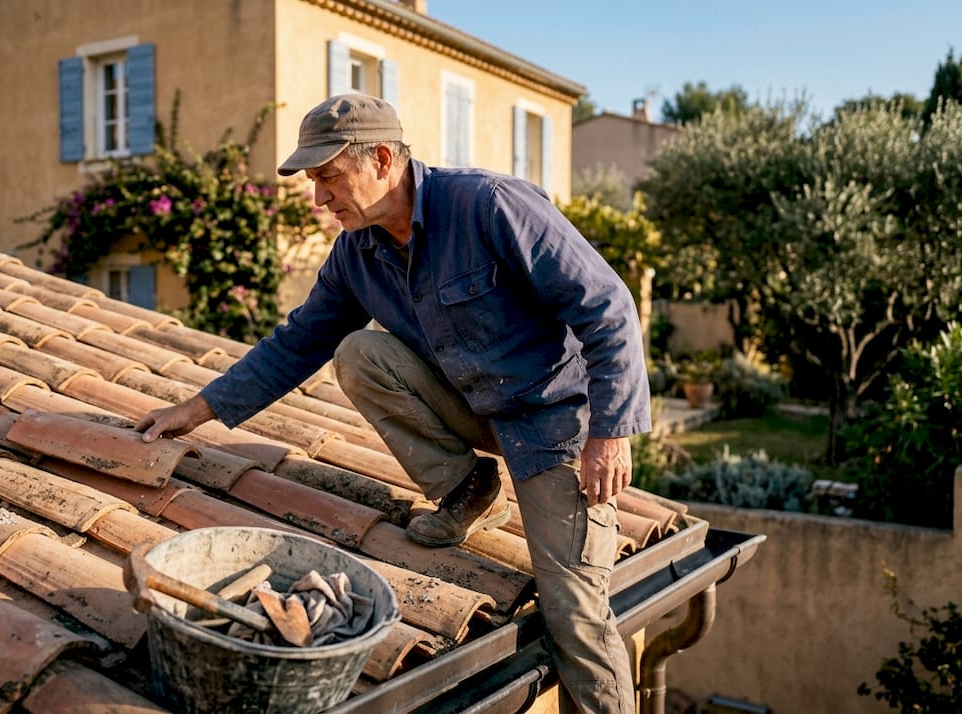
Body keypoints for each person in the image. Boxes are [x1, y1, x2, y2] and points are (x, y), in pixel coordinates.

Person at [136, 93, 649, 712]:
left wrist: (611, 434)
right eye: (313, 182)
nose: (318, 199)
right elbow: (298, 342)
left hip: (554, 426)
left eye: (328, 177)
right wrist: (194, 411)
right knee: (358, 352)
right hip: (477, 411)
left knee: (575, 613)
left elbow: (608, 308)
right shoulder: (358, 252)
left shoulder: (490, 205)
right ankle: (467, 487)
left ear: (381, 158)